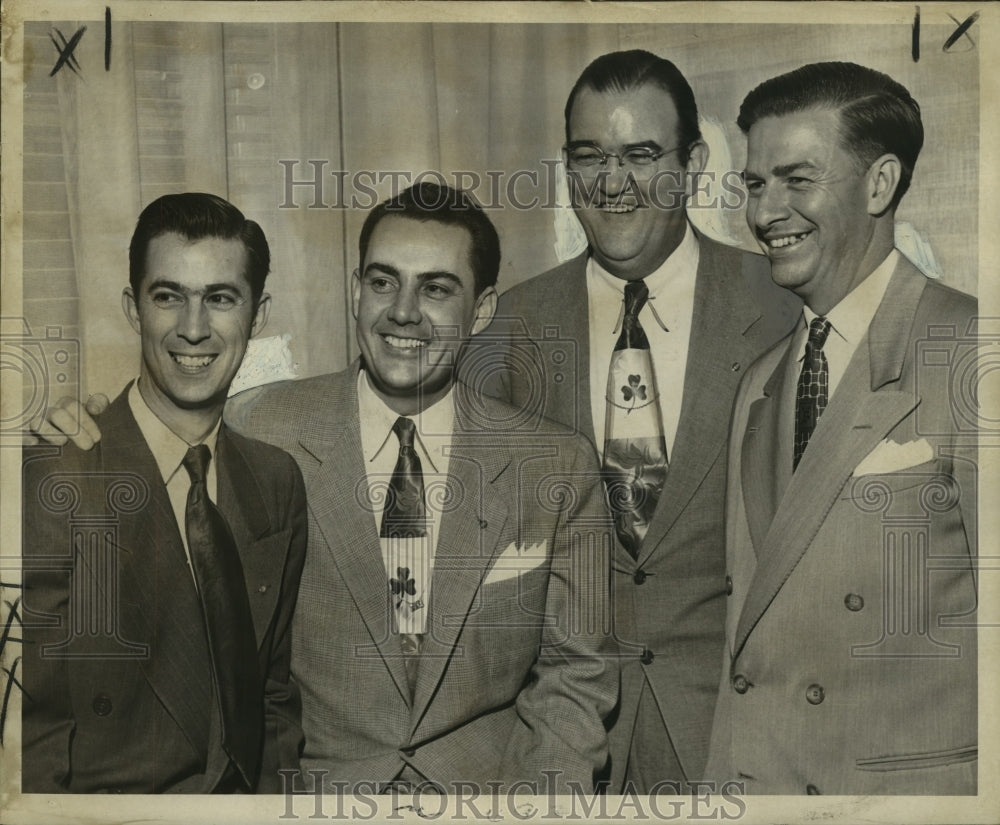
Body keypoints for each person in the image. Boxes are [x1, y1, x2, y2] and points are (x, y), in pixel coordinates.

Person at [44, 182, 618, 794]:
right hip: (312, 797)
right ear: (355, 291)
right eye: (383, 282)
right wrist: (78, 432)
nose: (403, 312)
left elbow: (575, 674)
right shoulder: (255, 430)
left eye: (436, 289)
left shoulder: (556, 465)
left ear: (481, 309)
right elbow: (151, 442)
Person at [474, 49, 799, 792]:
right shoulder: (508, 326)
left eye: (642, 156)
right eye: (590, 157)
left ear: (693, 165)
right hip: (561, 746)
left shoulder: (784, 306)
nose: (612, 183)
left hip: (739, 736)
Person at [705, 62, 978, 794]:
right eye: (755, 185)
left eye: (797, 180)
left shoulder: (971, 353)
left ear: (880, 184)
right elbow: (743, 641)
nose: (766, 213)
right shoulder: (760, 383)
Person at [21, 193, 308, 793]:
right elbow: (35, 734)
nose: (193, 329)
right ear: (134, 308)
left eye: (220, 298)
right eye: (168, 296)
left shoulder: (275, 480)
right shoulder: (59, 475)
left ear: (257, 315)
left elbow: (272, 698)